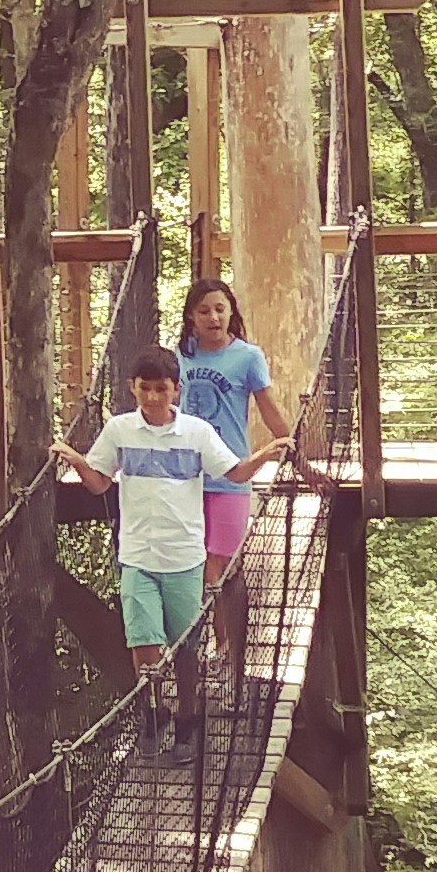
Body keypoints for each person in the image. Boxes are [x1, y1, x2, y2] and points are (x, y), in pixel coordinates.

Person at [51, 345, 302, 732]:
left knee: (186, 646)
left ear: (176, 390)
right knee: (143, 644)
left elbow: (233, 473)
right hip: (137, 556)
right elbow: (100, 484)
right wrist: (79, 461)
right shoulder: (119, 430)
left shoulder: (196, 433)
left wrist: (267, 453)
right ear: (132, 388)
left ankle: (188, 714)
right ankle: (152, 713)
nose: (153, 397)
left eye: (161, 389)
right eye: (145, 388)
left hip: (185, 558)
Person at [178, 275, 296, 669]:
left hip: (232, 473)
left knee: (222, 562)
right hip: (185, 473)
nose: (213, 317)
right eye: (204, 311)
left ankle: (225, 644)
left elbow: (268, 408)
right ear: (191, 317)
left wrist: (295, 453)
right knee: (193, 560)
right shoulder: (180, 356)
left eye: (220, 309)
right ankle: (198, 645)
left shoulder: (248, 357)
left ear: (231, 312)